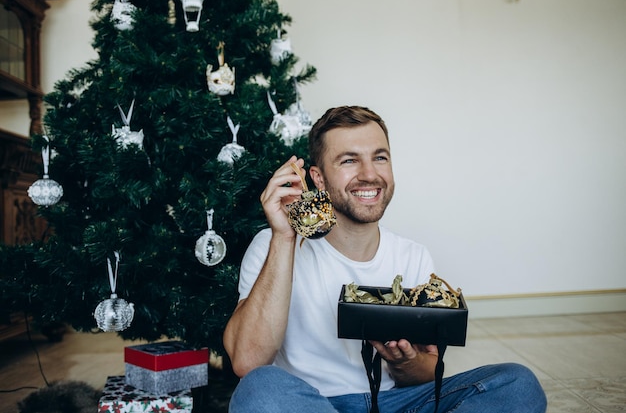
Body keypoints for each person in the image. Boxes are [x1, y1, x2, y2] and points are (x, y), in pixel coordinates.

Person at [223, 106, 547, 413]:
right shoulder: (274, 244)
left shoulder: (412, 255)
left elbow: (428, 370)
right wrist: (285, 237)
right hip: (312, 403)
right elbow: (247, 361)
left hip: (394, 402)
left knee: (517, 384)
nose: (369, 174)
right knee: (260, 387)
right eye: (349, 160)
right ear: (318, 179)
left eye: (380, 157)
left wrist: (404, 362)